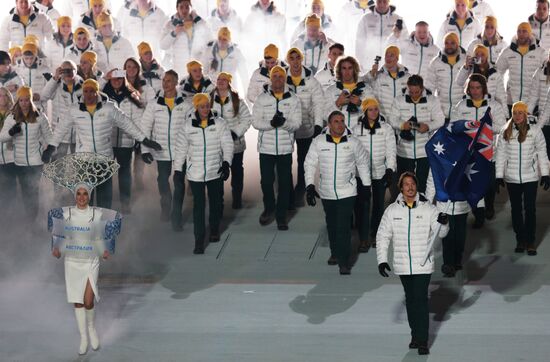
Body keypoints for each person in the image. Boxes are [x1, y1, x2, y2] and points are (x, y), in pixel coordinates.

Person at [42, 78, 162, 208]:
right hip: (84, 161)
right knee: (85, 198)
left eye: (92, 91)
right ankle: (87, 225)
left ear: (97, 92)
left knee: (104, 199)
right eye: (86, 91)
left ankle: (102, 225)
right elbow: (61, 128)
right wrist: (51, 147)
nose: (88, 94)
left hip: (104, 160)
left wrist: (144, 140)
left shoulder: (109, 108)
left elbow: (127, 123)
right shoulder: (75, 110)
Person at [45, 153, 122, 356]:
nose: (81, 197)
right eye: (78, 194)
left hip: (90, 262)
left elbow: (99, 238)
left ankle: (91, 329)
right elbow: (62, 238)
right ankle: (83, 337)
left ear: (89, 195)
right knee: (78, 301)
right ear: (75, 195)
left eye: (85, 194)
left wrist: (104, 250)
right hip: (72, 262)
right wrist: (57, 250)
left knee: (88, 300)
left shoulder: (96, 214)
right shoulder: (67, 214)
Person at [376, 171, 449, 355]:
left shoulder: (428, 209)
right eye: (406, 184)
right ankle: (415, 336)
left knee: (420, 299)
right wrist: (382, 260)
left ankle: (423, 340)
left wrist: (444, 223)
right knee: (411, 300)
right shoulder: (392, 211)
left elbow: (441, 233)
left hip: (423, 263)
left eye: (413, 184)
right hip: (402, 265)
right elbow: (383, 236)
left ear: (417, 186)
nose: (410, 187)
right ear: (401, 188)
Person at [305, 110, 371, 274]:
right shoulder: (318, 142)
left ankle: (344, 261)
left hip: (347, 192)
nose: (340, 124)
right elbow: (310, 163)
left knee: (343, 227)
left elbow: (363, 163)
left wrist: (366, 186)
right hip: (326, 192)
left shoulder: (353, 142)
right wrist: (310, 186)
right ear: (329, 124)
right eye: (336, 121)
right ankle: (335, 253)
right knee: (332, 225)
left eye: (342, 121)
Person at [173, 93, 233, 254]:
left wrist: (227, 163)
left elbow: (227, 144)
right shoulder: (187, 126)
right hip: (196, 173)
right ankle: (199, 241)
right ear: (196, 107)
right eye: (202, 106)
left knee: (215, 204)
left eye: (207, 106)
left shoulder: (219, 123)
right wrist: (178, 170)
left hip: (215, 171)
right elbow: (181, 149)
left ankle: (214, 230)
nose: (205, 109)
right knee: (198, 207)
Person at [451, 73, 506, 226]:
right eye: (472, 88)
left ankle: (489, 205)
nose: (475, 91)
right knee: (472, 184)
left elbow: (502, 127)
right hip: (469, 154)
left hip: (488, 153)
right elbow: (455, 126)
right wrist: (469, 128)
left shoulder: (493, 105)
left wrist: (484, 128)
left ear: (483, 88)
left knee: (489, 185)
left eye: (478, 88)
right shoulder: (461, 106)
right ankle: (478, 213)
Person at [495, 101, 550, 256]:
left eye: (520, 113)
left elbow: (542, 152)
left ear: (526, 114)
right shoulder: (505, 131)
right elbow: (500, 155)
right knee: (516, 210)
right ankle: (521, 239)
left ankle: (531, 241)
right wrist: (499, 176)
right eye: (514, 113)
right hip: (512, 178)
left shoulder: (535, 131)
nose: (517, 116)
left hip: (530, 177)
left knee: (530, 209)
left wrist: (545, 173)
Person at [252, 65, 302, 230]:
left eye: (281, 76)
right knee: (266, 182)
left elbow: (297, 124)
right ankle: (269, 209)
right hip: (266, 149)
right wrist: (271, 124)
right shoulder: (261, 99)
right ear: (271, 79)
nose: (278, 79)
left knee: (284, 182)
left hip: (285, 149)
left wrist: (284, 123)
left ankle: (281, 216)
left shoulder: (293, 99)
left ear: (285, 78)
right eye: (275, 76)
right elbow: (255, 122)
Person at [140, 70, 191, 229]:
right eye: (164, 80)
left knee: (179, 183)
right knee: (162, 180)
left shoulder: (186, 104)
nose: (165, 83)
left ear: (176, 82)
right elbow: (145, 127)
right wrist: (144, 149)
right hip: (161, 151)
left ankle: (176, 214)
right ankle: (166, 205)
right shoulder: (154, 104)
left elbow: (191, 128)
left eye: (169, 81)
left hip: (180, 152)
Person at [0, 86, 52, 220]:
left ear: (30, 100)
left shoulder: (40, 117)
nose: (24, 103)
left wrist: (49, 151)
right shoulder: (11, 118)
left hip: (36, 161)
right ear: (17, 101)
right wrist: (11, 132)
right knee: (24, 192)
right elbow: (2, 137)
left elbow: (50, 137)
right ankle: (25, 219)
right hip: (19, 162)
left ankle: (32, 220)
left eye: (27, 100)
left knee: (33, 192)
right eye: (21, 100)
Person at [351, 98, 395, 251]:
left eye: (376, 109)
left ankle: (376, 235)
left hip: (380, 173)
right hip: (361, 174)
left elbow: (391, 150)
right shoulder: (356, 130)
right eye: (370, 109)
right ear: (365, 111)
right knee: (363, 205)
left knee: (378, 205)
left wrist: (390, 169)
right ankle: (363, 239)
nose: (374, 112)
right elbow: (353, 152)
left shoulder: (386, 129)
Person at [390, 75, 444, 193]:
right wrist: (403, 125)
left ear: (422, 88)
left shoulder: (432, 100)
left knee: (422, 183)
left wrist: (428, 126)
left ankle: (421, 207)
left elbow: (440, 120)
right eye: (411, 92)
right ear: (408, 88)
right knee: (404, 183)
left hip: (424, 151)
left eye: (417, 92)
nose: (414, 94)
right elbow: (392, 119)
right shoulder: (399, 100)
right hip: (404, 151)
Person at [102, 68, 146, 214]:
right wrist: (104, 78)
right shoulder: (103, 95)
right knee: (106, 174)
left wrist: (139, 137)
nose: (117, 81)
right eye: (114, 79)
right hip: (107, 141)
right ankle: (104, 205)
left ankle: (125, 203)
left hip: (126, 141)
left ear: (124, 80)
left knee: (125, 173)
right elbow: (90, 90)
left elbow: (138, 117)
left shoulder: (133, 95)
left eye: (120, 78)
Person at [284, 47, 324, 207]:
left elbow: (319, 103)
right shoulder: (281, 77)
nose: (295, 61)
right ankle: (286, 193)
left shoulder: (310, 80)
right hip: (285, 128)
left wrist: (318, 124)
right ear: (288, 61)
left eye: (297, 58)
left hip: (305, 127)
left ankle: (301, 189)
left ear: (301, 59)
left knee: (303, 161)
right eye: (291, 58)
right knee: (285, 161)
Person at [209, 72, 252, 209]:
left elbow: (247, 119)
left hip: (236, 144)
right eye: (219, 79)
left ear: (229, 82)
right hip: (216, 144)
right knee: (217, 172)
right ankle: (218, 201)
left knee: (237, 171)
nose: (221, 82)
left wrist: (236, 133)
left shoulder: (237, 100)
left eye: (224, 80)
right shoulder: (209, 99)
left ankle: (237, 198)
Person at [425, 170, 469, 277]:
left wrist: (480, 203)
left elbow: (474, 181)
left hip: (462, 205)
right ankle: (448, 264)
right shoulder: (440, 155)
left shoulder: (465, 155)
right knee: (447, 235)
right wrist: (428, 202)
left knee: (460, 235)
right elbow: (432, 178)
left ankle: (457, 259)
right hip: (444, 205)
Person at [496, 22, 546, 115]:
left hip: (533, 104)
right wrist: (500, 94)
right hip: (511, 102)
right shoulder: (508, 52)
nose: (521, 34)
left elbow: (546, 77)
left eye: (524, 31)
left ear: (530, 33)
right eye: (519, 31)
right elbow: (497, 73)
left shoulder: (540, 53)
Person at [41, 60, 84, 158]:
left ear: (76, 71)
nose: (68, 73)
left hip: (79, 133)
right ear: (60, 71)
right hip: (61, 133)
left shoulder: (83, 85)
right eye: (65, 70)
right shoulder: (56, 85)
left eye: (71, 70)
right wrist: (55, 78)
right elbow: (44, 97)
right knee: (58, 164)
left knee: (79, 164)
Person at [160, 0, 213, 77]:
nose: (184, 10)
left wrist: (205, 62)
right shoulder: (170, 25)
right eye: (181, 7)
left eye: (187, 7)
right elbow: (162, 46)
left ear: (191, 8)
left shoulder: (201, 23)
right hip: (179, 69)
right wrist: (174, 33)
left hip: (198, 68)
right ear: (177, 8)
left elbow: (210, 44)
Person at [355, 0, 408, 70]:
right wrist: (359, 62)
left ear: (389, 2)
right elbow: (359, 42)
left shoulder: (397, 20)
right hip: (369, 64)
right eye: (379, 1)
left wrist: (397, 36)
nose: (382, 5)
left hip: (390, 64)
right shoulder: (366, 19)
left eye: (384, 2)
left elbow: (406, 45)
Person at [426, 32, 467, 121]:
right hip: (442, 111)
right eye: (446, 43)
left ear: (458, 43)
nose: (449, 46)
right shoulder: (436, 62)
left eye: (452, 43)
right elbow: (429, 87)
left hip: (462, 112)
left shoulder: (466, 61)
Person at [325, 55, 373, 127]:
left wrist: (360, 104)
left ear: (355, 70)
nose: (347, 72)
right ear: (339, 70)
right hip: (339, 133)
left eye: (350, 68)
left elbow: (375, 114)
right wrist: (337, 104)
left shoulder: (366, 89)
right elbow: (325, 116)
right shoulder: (330, 90)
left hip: (361, 134)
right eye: (344, 68)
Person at [456, 44, 506, 110]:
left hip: (489, 107)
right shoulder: (469, 69)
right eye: (477, 55)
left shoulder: (494, 72)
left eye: (482, 55)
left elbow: (501, 95)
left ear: (487, 56)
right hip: (471, 107)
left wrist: (505, 115)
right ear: (474, 57)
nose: (480, 57)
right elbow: (459, 82)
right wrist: (465, 67)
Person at [365, 45, 410, 117]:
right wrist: (372, 73)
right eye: (386, 55)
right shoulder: (378, 76)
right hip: (383, 120)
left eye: (392, 55)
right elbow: (363, 85)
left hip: (401, 119)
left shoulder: (407, 77)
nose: (388, 58)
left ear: (397, 58)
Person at [200, 27, 248, 95]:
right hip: (212, 87)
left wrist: (246, 95)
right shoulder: (209, 51)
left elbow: (244, 74)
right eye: (220, 38)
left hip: (230, 87)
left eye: (224, 39)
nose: (222, 42)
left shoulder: (236, 52)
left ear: (229, 40)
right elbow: (202, 71)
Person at [14, 41, 52, 112]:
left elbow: (51, 88)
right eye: (26, 58)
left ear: (36, 56)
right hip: (21, 108)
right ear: (22, 57)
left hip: (40, 108)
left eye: (31, 58)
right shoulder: (16, 70)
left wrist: (40, 96)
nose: (29, 61)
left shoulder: (45, 70)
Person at [0, 87, 15, 214]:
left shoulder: (14, 114)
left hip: (11, 157)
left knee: (11, 188)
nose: (2, 98)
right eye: (0, 95)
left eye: (5, 95)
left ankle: (11, 214)